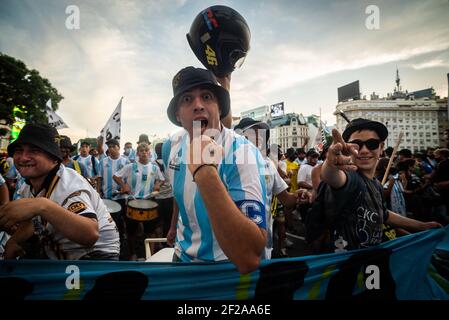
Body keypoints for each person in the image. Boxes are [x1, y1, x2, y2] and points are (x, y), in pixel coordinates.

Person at [163, 66, 268, 274]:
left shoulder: (243, 153)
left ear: (219, 108)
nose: (198, 105)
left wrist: (204, 171)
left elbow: (248, 256)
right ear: (177, 114)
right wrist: (173, 226)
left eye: (207, 96)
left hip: (225, 270)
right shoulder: (170, 146)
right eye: (187, 99)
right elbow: (179, 193)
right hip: (181, 259)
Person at [317, 118, 441, 253]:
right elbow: (331, 176)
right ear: (347, 149)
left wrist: (422, 226)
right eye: (357, 144)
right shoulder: (350, 179)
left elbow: (384, 214)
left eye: (372, 144)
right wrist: (330, 163)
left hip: (372, 263)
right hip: (346, 266)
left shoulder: (376, 185)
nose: (364, 150)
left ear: (381, 148)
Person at [0, 124, 120, 260]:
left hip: (96, 259)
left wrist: (42, 206)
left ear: (53, 157)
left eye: (34, 151)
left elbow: (90, 234)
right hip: (60, 256)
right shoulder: (27, 187)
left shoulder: (69, 183)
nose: (23, 157)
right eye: (19, 150)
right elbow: (33, 224)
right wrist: (14, 241)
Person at [234, 118, 309, 258]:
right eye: (251, 134)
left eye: (260, 135)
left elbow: (286, 199)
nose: (258, 139)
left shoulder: (269, 165)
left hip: (263, 249)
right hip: (230, 249)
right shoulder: (227, 164)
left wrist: (298, 196)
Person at [113, 142, 164, 260]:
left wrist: (157, 184)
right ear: (138, 153)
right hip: (132, 202)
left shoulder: (155, 168)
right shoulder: (131, 166)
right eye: (141, 151)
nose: (144, 153)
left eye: (146, 151)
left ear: (150, 153)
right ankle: (132, 254)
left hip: (149, 201)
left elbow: (161, 179)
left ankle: (149, 256)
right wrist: (124, 185)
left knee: (150, 232)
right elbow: (116, 176)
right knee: (131, 232)